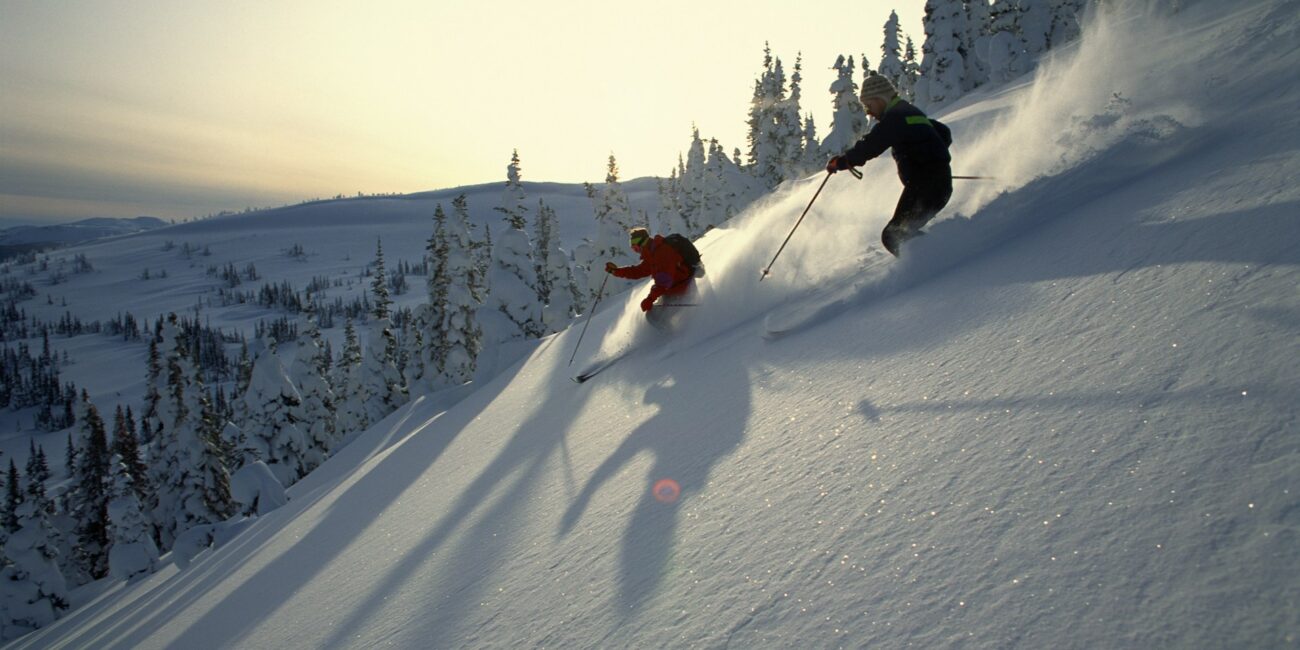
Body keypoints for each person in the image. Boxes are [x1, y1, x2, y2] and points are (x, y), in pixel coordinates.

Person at [826, 73, 954, 256]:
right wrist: (932, 159)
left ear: (880, 99)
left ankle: (939, 260)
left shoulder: (895, 118)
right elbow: (943, 133)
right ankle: (941, 256)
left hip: (927, 185)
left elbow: (871, 145)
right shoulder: (909, 112)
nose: (869, 112)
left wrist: (842, 162)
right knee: (899, 232)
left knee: (893, 235)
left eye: (869, 105)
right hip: (934, 183)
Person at [605, 228, 694, 314]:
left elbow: (664, 281)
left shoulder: (662, 252)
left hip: (683, 287)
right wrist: (615, 271)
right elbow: (638, 271)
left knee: (655, 315)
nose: (636, 252)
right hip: (671, 289)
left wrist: (650, 299)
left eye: (636, 248)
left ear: (642, 243)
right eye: (633, 249)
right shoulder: (651, 255)